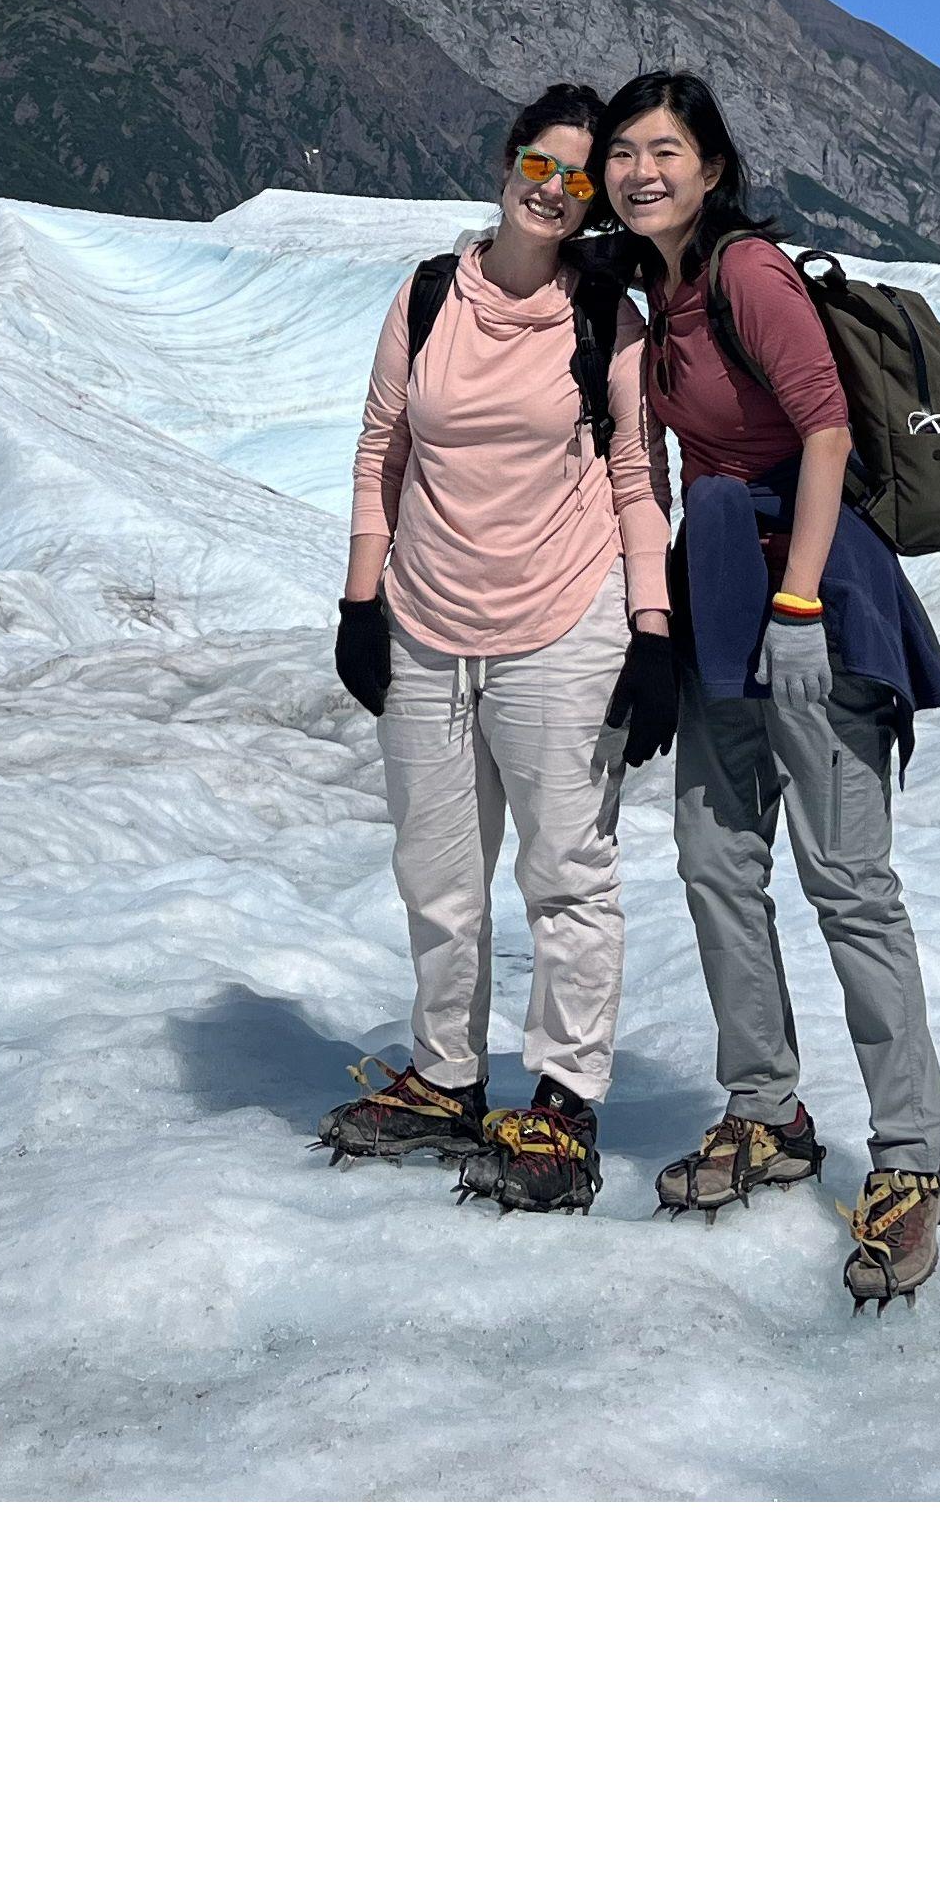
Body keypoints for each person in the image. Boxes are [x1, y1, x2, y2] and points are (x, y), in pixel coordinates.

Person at [598, 67, 940, 1311]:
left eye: (664, 150)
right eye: (623, 154)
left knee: (850, 884)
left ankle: (911, 1157)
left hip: (803, 591)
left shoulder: (746, 274)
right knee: (714, 860)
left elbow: (824, 431)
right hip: (717, 596)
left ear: (708, 164)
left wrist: (801, 602)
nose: (641, 171)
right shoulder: (661, 287)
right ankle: (767, 1109)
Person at [319, 84, 676, 1212]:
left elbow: (635, 474)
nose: (555, 189)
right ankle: (447, 1079)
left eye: (580, 176)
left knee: (566, 875)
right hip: (425, 622)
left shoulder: (604, 319)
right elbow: (382, 448)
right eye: (543, 162)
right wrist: (359, 601)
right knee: (437, 874)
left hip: (562, 623)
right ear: (508, 159)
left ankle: (563, 1102)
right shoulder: (429, 297)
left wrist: (654, 627)